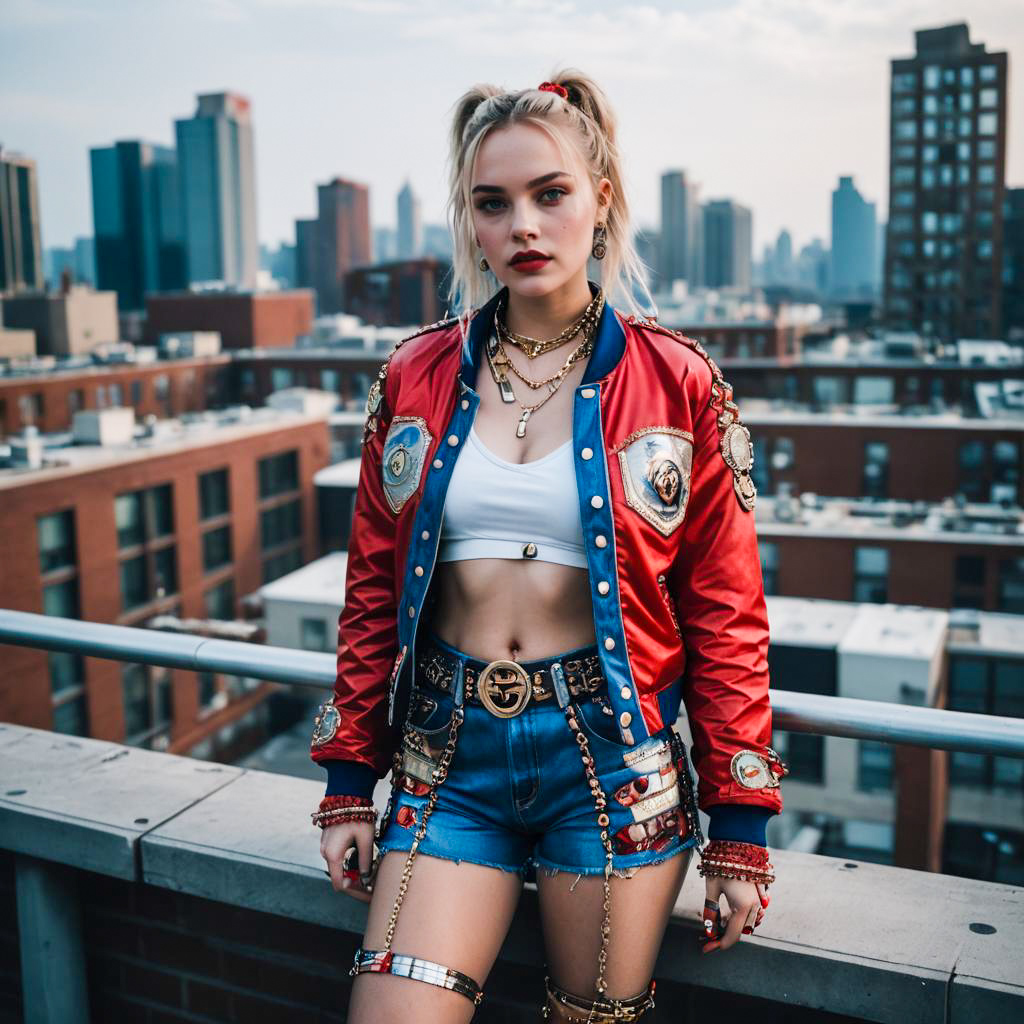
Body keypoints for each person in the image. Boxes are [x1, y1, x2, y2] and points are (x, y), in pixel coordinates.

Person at [309, 69, 788, 1024]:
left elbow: (727, 615)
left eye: (550, 194)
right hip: (446, 761)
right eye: (494, 203)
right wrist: (349, 780)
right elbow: (371, 593)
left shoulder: (680, 382)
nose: (523, 224)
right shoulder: (413, 376)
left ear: (599, 201)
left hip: (611, 764)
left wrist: (739, 833)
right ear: (472, 222)